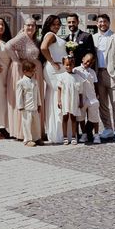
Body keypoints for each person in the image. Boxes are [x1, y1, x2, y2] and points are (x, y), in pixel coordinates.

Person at [7, 16, 42, 141]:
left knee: (34, 99)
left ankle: (36, 133)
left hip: (34, 70)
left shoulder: (34, 39)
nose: (30, 27)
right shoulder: (22, 37)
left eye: (33, 25)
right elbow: (8, 46)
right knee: (25, 101)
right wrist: (17, 61)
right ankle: (23, 133)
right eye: (28, 25)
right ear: (23, 27)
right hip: (25, 70)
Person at [92, 14, 115, 141]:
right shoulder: (93, 38)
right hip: (99, 74)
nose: (102, 24)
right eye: (100, 22)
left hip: (112, 74)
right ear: (97, 24)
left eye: (104, 21)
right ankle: (108, 128)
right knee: (102, 104)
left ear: (108, 23)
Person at [40, 15, 68, 143]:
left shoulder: (51, 35)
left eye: (58, 24)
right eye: (54, 24)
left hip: (57, 69)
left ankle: (56, 132)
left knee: (54, 97)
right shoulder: (50, 35)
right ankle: (57, 133)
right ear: (49, 25)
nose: (56, 26)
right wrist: (52, 62)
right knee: (58, 97)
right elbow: (43, 48)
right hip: (54, 69)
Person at [75, 52, 102, 144]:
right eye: (86, 61)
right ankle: (84, 134)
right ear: (83, 59)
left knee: (94, 117)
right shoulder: (76, 70)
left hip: (92, 97)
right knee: (81, 117)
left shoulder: (92, 72)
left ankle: (97, 135)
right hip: (81, 97)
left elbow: (96, 84)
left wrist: (97, 95)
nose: (88, 64)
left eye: (90, 63)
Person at [56, 54, 83, 144]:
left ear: (73, 65)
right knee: (65, 117)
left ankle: (74, 136)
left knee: (73, 117)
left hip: (74, 100)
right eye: (67, 65)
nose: (68, 67)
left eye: (70, 65)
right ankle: (65, 137)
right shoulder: (62, 76)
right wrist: (59, 100)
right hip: (65, 99)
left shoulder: (77, 77)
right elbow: (59, 89)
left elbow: (80, 91)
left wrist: (81, 101)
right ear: (64, 65)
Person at [15, 60, 42, 147]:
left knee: (36, 123)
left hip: (34, 107)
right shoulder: (21, 82)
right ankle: (28, 140)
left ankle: (37, 138)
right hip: (26, 107)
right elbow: (19, 95)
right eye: (32, 71)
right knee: (27, 123)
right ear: (25, 71)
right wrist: (20, 106)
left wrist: (39, 104)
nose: (33, 72)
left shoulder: (35, 81)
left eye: (34, 70)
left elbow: (37, 94)